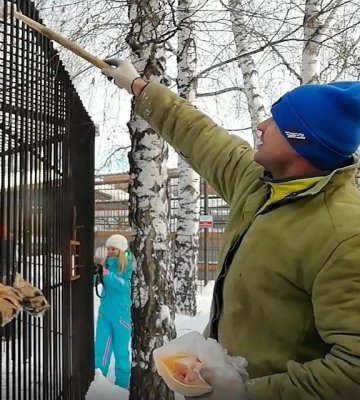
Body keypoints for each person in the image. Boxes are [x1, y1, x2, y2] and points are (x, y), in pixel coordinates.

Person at [102, 59, 360, 399]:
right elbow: (201, 135)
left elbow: (352, 371)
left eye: (279, 122)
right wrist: (140, 87)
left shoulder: (344, 234)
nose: (263, 125)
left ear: (302, 141)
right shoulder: (257, 183)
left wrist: (245, 393)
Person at [94, 234, 133, 390]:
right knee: (101, 349)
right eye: (108, 248)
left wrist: (106, 275)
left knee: (121, 352)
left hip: (121, 316)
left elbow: (124, 286)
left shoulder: (127, 265)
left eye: (113, 248)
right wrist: (95, 272)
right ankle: (99, 382)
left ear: (121, 250)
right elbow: (97, 282)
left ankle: (122, 387)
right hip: (105, 314)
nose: (109, 251)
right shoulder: (107, 265)